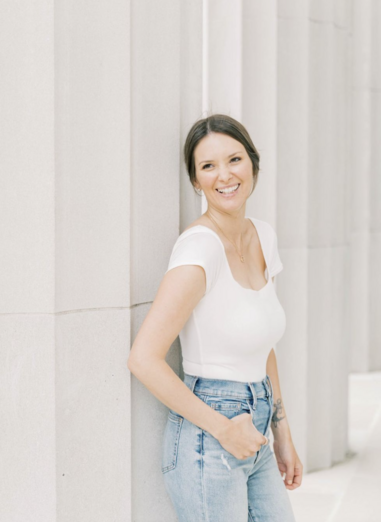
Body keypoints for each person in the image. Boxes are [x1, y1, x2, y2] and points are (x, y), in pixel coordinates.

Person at [127, 113, 303, 521]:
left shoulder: (264, 236)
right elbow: (143, 358)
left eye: (234, 160)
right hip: (209, 436)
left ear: (253, 165)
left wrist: (283, 434)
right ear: (195, 181)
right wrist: (222, 428)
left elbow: (264, 347)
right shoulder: (198, 250)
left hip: (256, 424)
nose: (224, 175)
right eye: (208, 166)